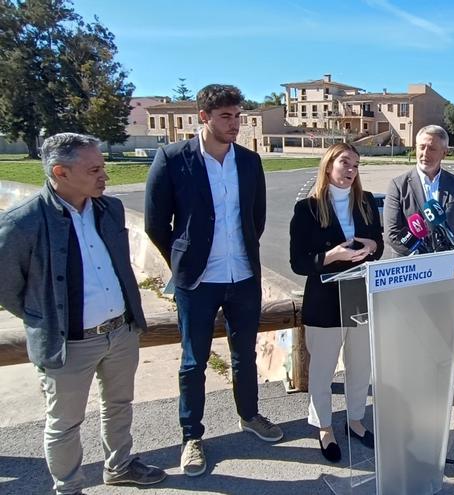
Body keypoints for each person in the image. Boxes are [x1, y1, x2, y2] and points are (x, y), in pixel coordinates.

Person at [0, 133, 166, 495]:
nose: (104, 175)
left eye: (103, 166)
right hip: (68, 344)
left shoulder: (110, 209)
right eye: (94, 169)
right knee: (64, 423)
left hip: (120, 333)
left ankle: (120, 467)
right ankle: (69, 488)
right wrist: (44, 318)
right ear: (60, 172)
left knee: (119, 405)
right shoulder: (22, 223)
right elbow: (7, 287)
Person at [145, 84, 282, 477]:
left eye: (238, 116)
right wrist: (184, 259)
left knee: (245, 355)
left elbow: (256, 218)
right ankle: (192, 436)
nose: (235, 123)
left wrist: (239, 252)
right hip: (197, 280)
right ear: (203, 117)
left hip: (242, 275)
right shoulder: (172, 159)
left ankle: (250, 415)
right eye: (226, 116)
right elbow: (157, 224)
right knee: (193, 361)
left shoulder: (250, 162)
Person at [290, 143, 383, 462]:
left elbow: (378, 244)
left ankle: (356, 420)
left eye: (356, 164)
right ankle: (324, 426)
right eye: (345, 162)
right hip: (324, 297)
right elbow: (299, 262)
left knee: (360, 364)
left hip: (358, 293)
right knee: (323, 369)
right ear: (329, 164)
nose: (351, 169)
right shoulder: (307, 208)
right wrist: (332, 256)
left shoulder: (367, 202)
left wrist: (371, 245)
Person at [384, 125, 454, 255]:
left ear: (444, 153)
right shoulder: (397, 185)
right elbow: (392, 234)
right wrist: (425, 260)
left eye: (431, 148)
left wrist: (448, 255)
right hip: (411, 266)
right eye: (422, 147)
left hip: (447, 264)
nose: (425, 153)